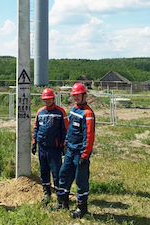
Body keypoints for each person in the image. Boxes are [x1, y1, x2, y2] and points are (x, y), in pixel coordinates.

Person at [54, 83, 95, 219]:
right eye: (74, 95)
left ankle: (81, 208)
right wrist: (65, 143)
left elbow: (89, 136)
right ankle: (62, 202)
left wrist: (85, 154)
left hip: (80, 153)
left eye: (78, 95)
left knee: (81, 180)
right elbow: (69, 129)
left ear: (84, 95)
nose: (76, 98)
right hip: (70, 151)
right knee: (64, 175)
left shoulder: (88, 114)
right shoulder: (74, 110)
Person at [32, 88, 68, 204]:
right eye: (45, 99)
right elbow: (36, 128)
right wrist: (34, 142)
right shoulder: (40, 112)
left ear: (53, 98)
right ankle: (47, 194)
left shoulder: (60, 112)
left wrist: (64, 145)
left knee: (57, 173)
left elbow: (65, 130)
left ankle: (60, 197)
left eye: (49, 99)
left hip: (55, 149)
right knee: (44, 172)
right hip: (42, 148)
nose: (47, 101)